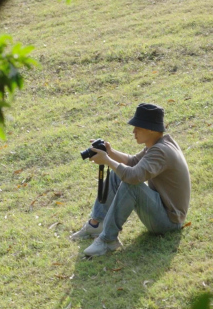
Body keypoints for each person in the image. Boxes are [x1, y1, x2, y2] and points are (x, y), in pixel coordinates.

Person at [69, 103, 191, 256]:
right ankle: (97, 225)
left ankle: (108, 241)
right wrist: (110, 152)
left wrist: (106, 160)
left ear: (151, 129)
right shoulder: (159, 145)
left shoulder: (161, 151)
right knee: (117, 174)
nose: (134, 131)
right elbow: (133, 162)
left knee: (130, 183)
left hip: (169, 222)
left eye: (138, 127)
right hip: (164, 210)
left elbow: (133, 177)